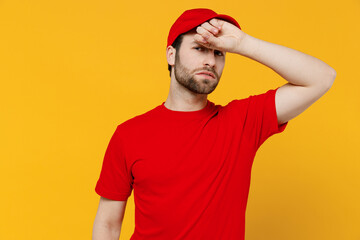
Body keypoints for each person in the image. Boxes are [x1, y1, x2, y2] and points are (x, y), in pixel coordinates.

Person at [92, 8, 336, 240]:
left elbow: (321, 78)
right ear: (171, 54)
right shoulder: (129, 134)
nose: (210, 61)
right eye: (200, 48)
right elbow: (108, 224)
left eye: (218, 52)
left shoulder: (242, 122)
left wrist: (243, 44)